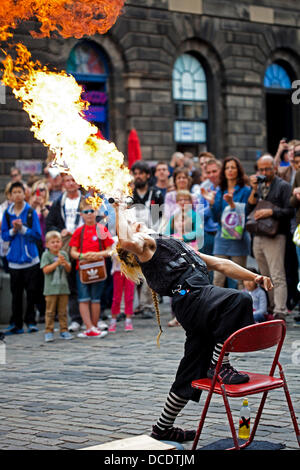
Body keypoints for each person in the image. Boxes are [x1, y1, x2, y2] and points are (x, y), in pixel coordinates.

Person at [113, 201, 273, 443]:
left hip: (202, 303)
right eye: (134, 226)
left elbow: (221, 264)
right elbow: (124, 241)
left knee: (190, 371)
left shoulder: (173, 244)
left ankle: (162, 428)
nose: (138, 222)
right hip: (192, 300)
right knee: (238, 299)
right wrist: (119, 210)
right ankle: (221, 365)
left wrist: (255, 276)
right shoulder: (146, 247)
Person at [247, 155, 294, 321]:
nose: (264, 172)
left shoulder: (283, 186)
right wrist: (253, 189)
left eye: (267, 168)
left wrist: (271, 212)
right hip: (258, 234)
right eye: (261, 169)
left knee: (277, 274)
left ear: (274, 168)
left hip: (276, 235)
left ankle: (280, 310)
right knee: (264, 275)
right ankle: (271, 307)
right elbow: (249, 208)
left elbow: (290, 211)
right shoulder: (259, 185)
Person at [201, 156, 251, 289]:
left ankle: (242, 307)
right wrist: (212, 203)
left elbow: (246, 214)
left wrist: (232, 205)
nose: (230, 170)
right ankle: (218, 307)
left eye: (233, 167)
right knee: (218, 278)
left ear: (238, 170)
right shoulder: (220, 190)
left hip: (238, 237)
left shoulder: (246, 190)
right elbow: (216, 217)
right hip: (222, 236)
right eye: (227, 168)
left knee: (240, 278)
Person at [69, 199, 114, 338]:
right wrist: (83, 256)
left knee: (96, 298)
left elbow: (109, 250)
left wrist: (97, 255)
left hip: (98, 267)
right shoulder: (79, 231)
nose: (89, 214)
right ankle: (88, 327)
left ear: (96, 212)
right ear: (81, 214)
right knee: (83, 298)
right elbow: (73, 252)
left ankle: (93, 326)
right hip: (82, 269)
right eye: (86, 212)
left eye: (92, 211)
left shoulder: (102, 229)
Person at [1, 181, 42, 335]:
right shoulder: (7, 213)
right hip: (14, 261)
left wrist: (23, 229)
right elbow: (4, 235)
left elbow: (38, 235)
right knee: (16, 294)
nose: (17, 195)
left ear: (25, 194)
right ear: (10, 195)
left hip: (31, 259)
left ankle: (31, 322)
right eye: (15, 192)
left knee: (32, 293)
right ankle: (16, 323)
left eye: (20, 191)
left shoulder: (30, 212)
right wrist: (13, 230)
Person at [46, 173, 84, 332]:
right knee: (71, 283)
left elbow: (98, 219)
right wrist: (59, 230)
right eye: (67, 180)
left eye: (73, 180)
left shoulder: (87, 200)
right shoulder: (58, 202)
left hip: (84, 243)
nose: (70, 183)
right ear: (63, 183)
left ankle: (97, 315)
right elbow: (50, 223)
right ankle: (75, 318)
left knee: (89, 279)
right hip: (67, 245)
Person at [131, 161, 164, 319]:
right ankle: (133, 305)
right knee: (133, 272)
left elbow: (158, 218)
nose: (138, 176)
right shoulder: (130, 195)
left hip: (151, 236)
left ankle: (148, 305)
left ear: (147, 175)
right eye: (135, 173)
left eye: (141, 173)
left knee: (149, 272)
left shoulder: (156, 194)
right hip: (133, 237)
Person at [40, 231, 73, 342]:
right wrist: (57, 263)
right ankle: (49, 331)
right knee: (50, 312)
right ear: (47, 244)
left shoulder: (63, 254)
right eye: (52, 242)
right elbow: (45, 270)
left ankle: (64, 330)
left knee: (63, 311)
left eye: (58, 241)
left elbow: (69, 270)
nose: (55, 244)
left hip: (63, 288)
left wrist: (65, 263)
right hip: (50, 290)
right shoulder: (46, 255)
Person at [108, 247, 135, 333]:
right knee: (116, 297)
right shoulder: (115, 240)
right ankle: (113, 320)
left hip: (130, 271)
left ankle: (128, 320)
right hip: (118, 271)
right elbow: (114, 255)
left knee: (129, 296)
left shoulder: (132, 240)